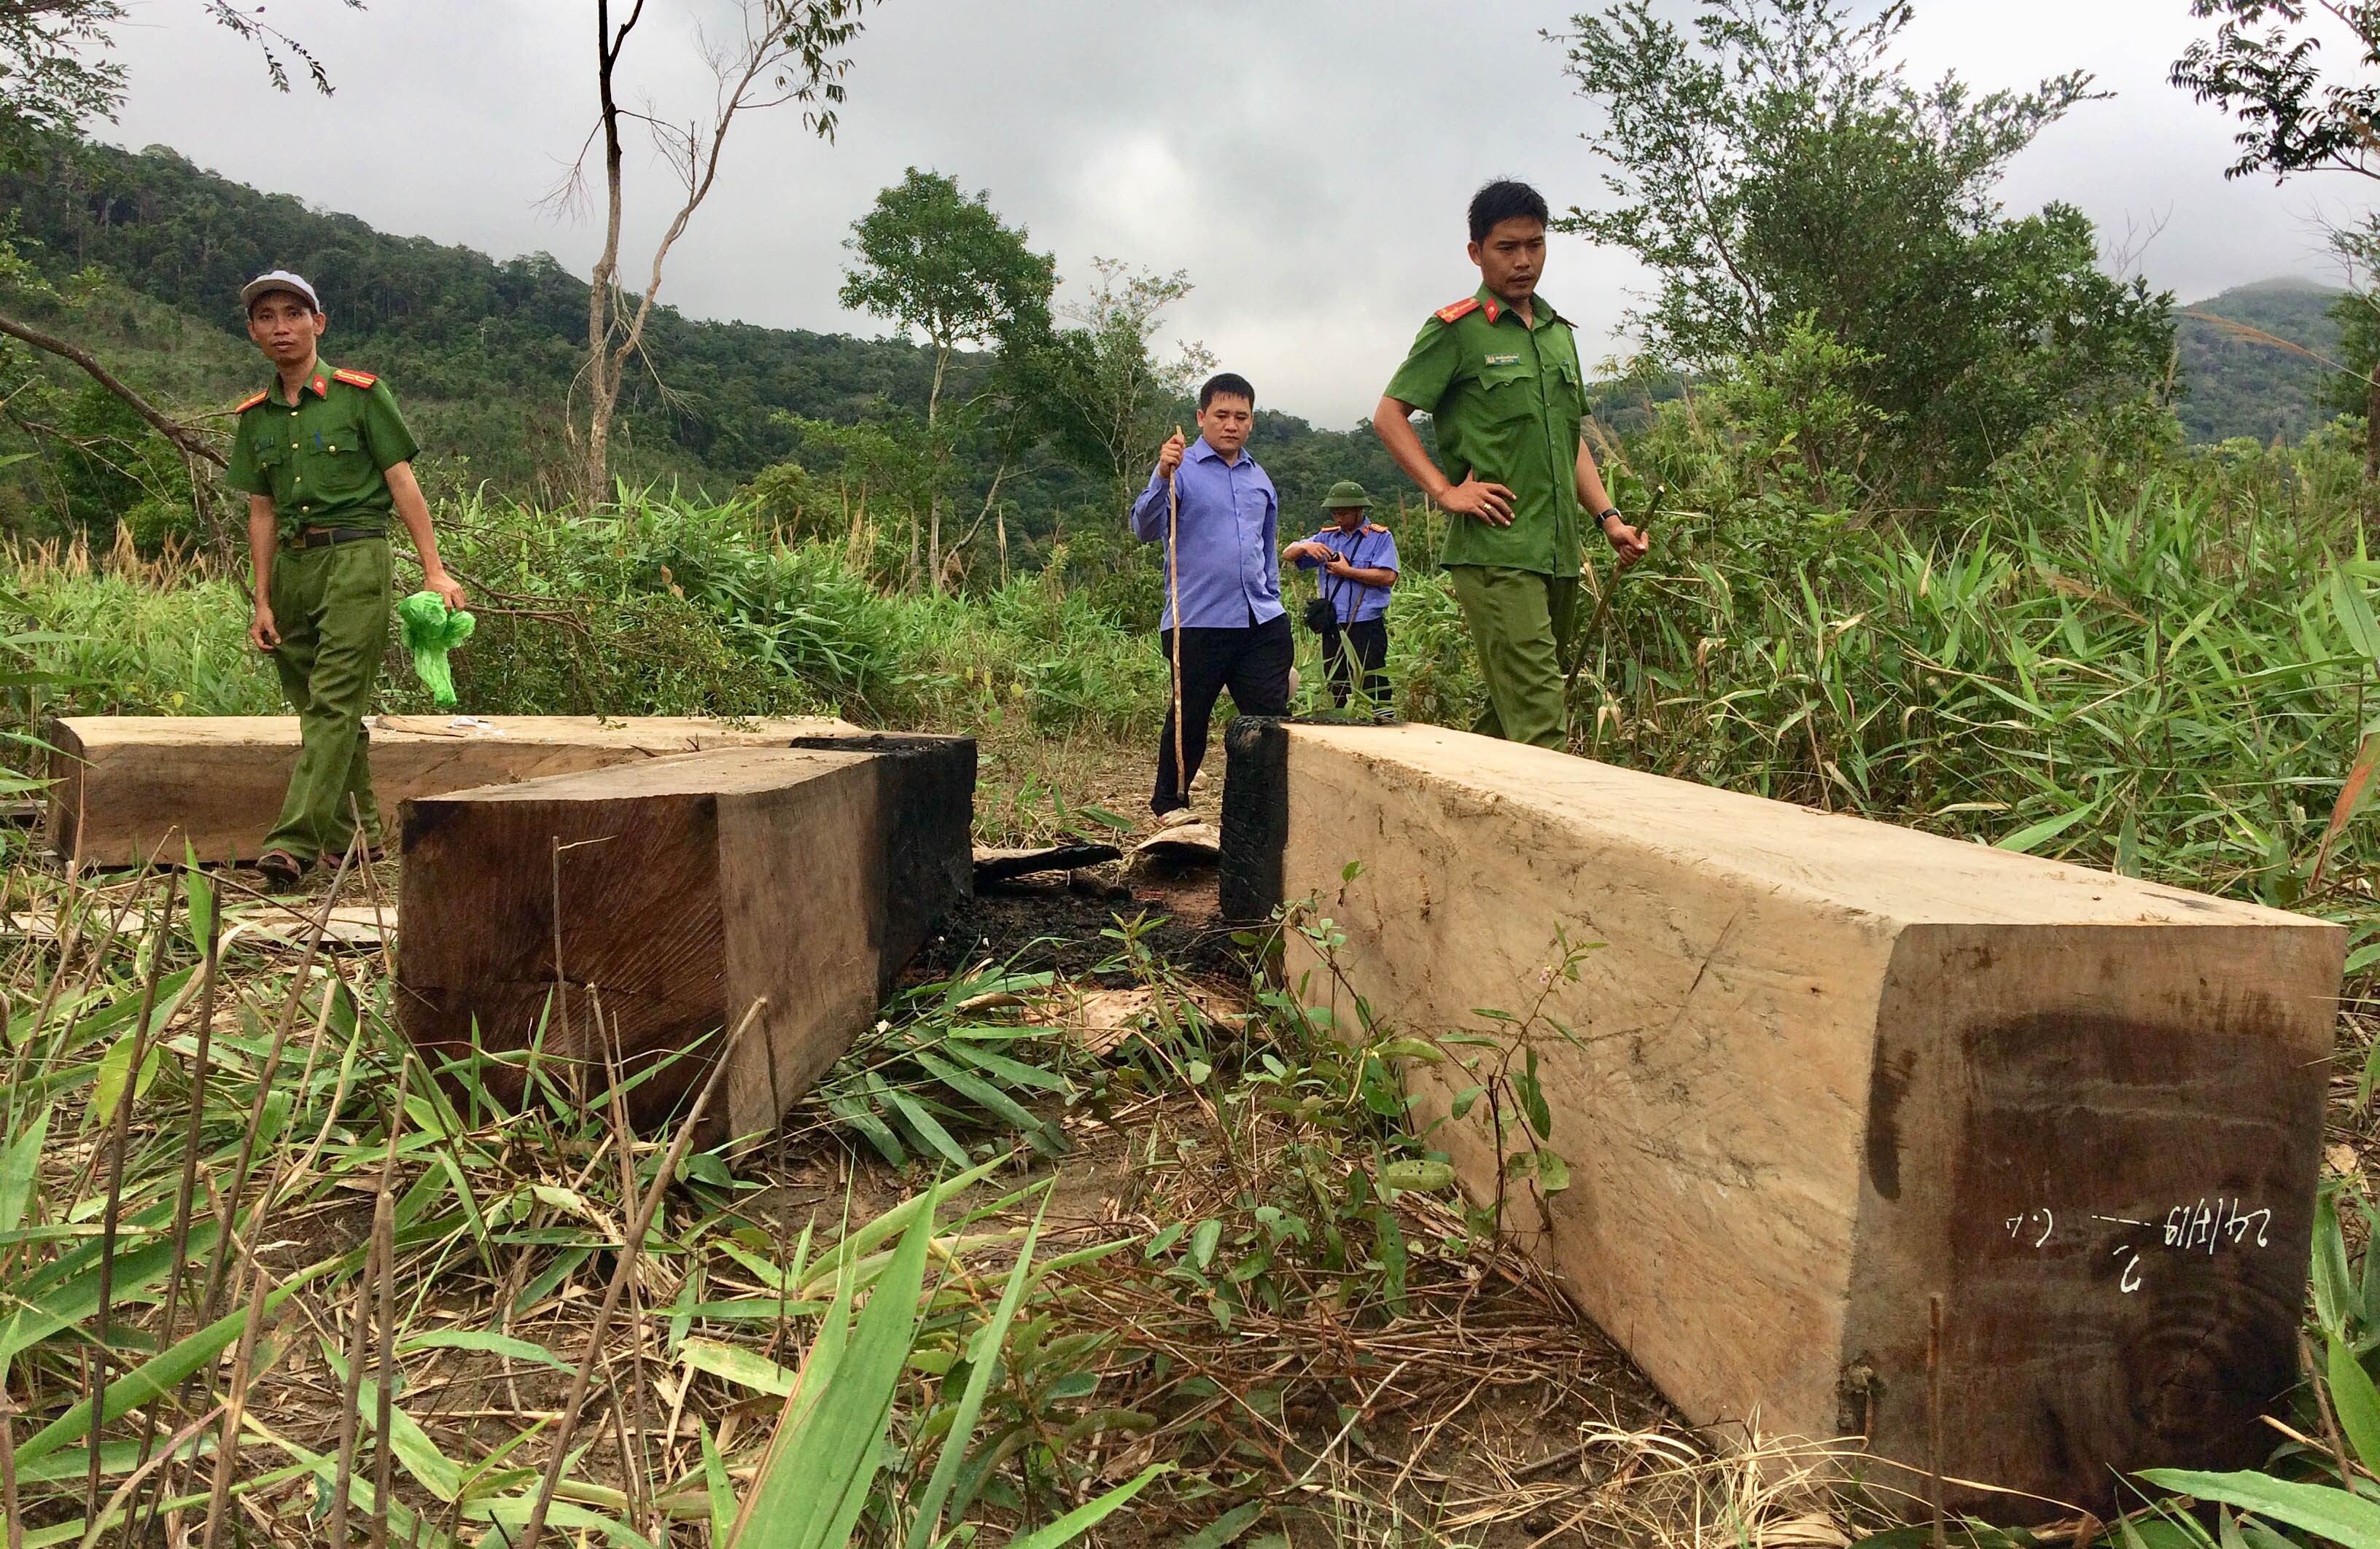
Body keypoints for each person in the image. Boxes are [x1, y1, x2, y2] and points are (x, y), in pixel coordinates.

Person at [1372, 179, 1648, 750]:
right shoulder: (1458, 330)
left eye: (1536, 245)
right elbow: (1389, 415)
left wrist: (1609, 519)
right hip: (1497, 555)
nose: (1524, 261)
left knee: (1510, 722)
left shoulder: (1555, 334)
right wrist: (1446, 492)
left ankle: (1445, 829)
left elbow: (1568, 439)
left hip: (1558, 554)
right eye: (1507, 247)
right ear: (1476, 252)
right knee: (1542, 723)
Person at [226, 269, 468, 889]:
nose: (281, 327)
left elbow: (402, 482)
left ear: (318, 323)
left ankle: (291, 843)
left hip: (357, 558)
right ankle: (353, 837)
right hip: (292, 570)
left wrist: (434, 571)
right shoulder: (255, 418)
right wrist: (262, 598)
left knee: (333, 700)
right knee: (318, 707)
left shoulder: (361, 396)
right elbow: (261, 509)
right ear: (253, 331)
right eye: (267, 317)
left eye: (293, 314)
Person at [1129, 372, 1291, 819]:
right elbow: (1143, 527)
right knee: (1189, 720)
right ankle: (1170, 807)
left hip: (1261, 621)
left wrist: (1273, 600)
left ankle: (1259, 812)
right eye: (1221, 415)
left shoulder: (1260, 478)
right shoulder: (1179, 471)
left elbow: (1267, 547)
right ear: (1201, 417)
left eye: (1241, 416)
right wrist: (1162, 473)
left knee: (1268, 722)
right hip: (1197, 621)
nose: (1230, 424)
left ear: (1252, 422)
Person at [1285, 480, 1398, 714]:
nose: (1338, 518)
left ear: (1359, 510)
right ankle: (1342, 721)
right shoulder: (1326, 538)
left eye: (1344, 514)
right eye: (1335, 513)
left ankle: (1384, 724)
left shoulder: (1380, 537)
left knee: (1374, 677)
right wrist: (1306, 548)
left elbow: (1388, 576)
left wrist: (1347, 572)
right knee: (1336, 680)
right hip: (1333, 623)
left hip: (1366, 622)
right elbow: (1288, 554)